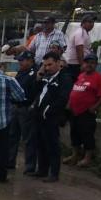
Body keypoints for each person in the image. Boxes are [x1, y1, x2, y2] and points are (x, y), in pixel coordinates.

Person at [30, 52, 73, 182]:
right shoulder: (45, 77)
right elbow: (35, 91)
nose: (47, 67)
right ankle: (42, 170)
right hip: (39, 116)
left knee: (52, 145)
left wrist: (49, 110)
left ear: (58, 63)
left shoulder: (64, 78)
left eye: (49, 64)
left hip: (51, 117)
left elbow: (63, 98)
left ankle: (54, 173)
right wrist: (39, 75)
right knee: (40, 144)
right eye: (45, 65)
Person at [65, 53, 101, 167]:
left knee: (87, 135)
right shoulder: (81, 76)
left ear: (96, 64)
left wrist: (95, 107)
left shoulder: (99, 77)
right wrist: (69, 104)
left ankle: (87, 158)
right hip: (75, 111)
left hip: (86, 112)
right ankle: (74, 155)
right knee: (74, 133)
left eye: (92, 62)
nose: (89, 65)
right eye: (87, 62)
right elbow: (74, 91)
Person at [7, 51, 39, 173]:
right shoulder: (21, 71)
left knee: (28, 138)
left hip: (26, 108)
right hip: (15, 107)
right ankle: (10, 162)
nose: (20, 62)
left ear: (30, 60)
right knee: (12, 136)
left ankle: (30, 166)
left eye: (22, 60)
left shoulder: (35, 73)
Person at [65, 14, 96, 82]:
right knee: (77, 84)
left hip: (77, 63)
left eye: (93, 22)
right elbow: (79, 49)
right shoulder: (80, 32)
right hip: (75, 64)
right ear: (83, 23)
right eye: (90, 22)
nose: (92, 24)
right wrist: (82, 65)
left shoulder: (84, 32)